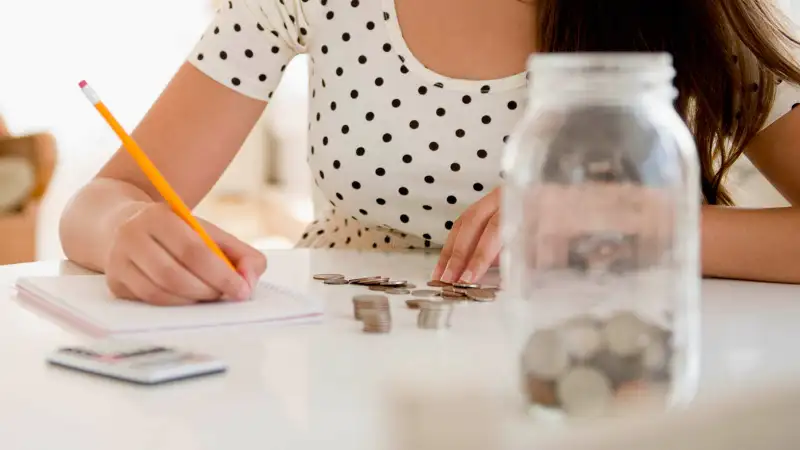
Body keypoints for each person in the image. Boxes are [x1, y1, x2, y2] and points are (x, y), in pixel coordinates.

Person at [60, 0, 800, 306]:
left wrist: (604, 216)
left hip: (599, 365)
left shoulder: (691, 11)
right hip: (349, 368)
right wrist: (126, 230)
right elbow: (99, 202)